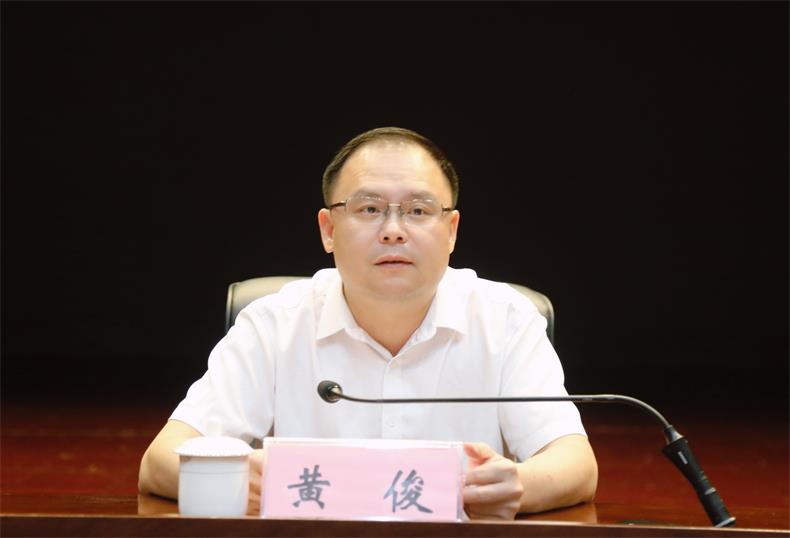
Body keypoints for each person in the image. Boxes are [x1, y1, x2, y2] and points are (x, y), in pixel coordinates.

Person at [138, 127, 597, 520]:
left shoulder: (505, 320)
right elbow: (158, 463)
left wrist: (518, 485)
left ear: (452, 231)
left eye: (418, 211)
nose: (393, 230)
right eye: (369, 209)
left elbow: (575, 465)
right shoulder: (274, 324)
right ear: (328, 229)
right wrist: (237, 478)